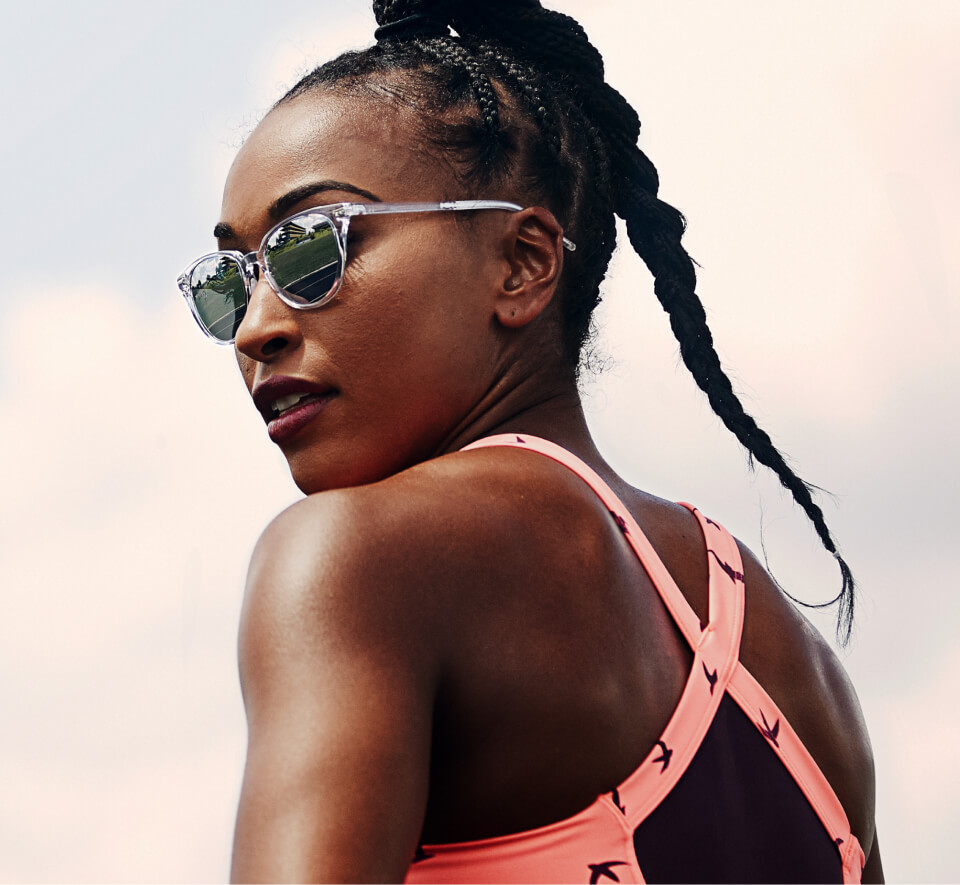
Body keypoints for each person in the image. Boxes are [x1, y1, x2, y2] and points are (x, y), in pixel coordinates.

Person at [177, 1, 881, 881]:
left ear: (523, 263)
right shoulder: (798, 665)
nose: (256, 328)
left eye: (311, 248)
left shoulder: (357, 558)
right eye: (229, 284)